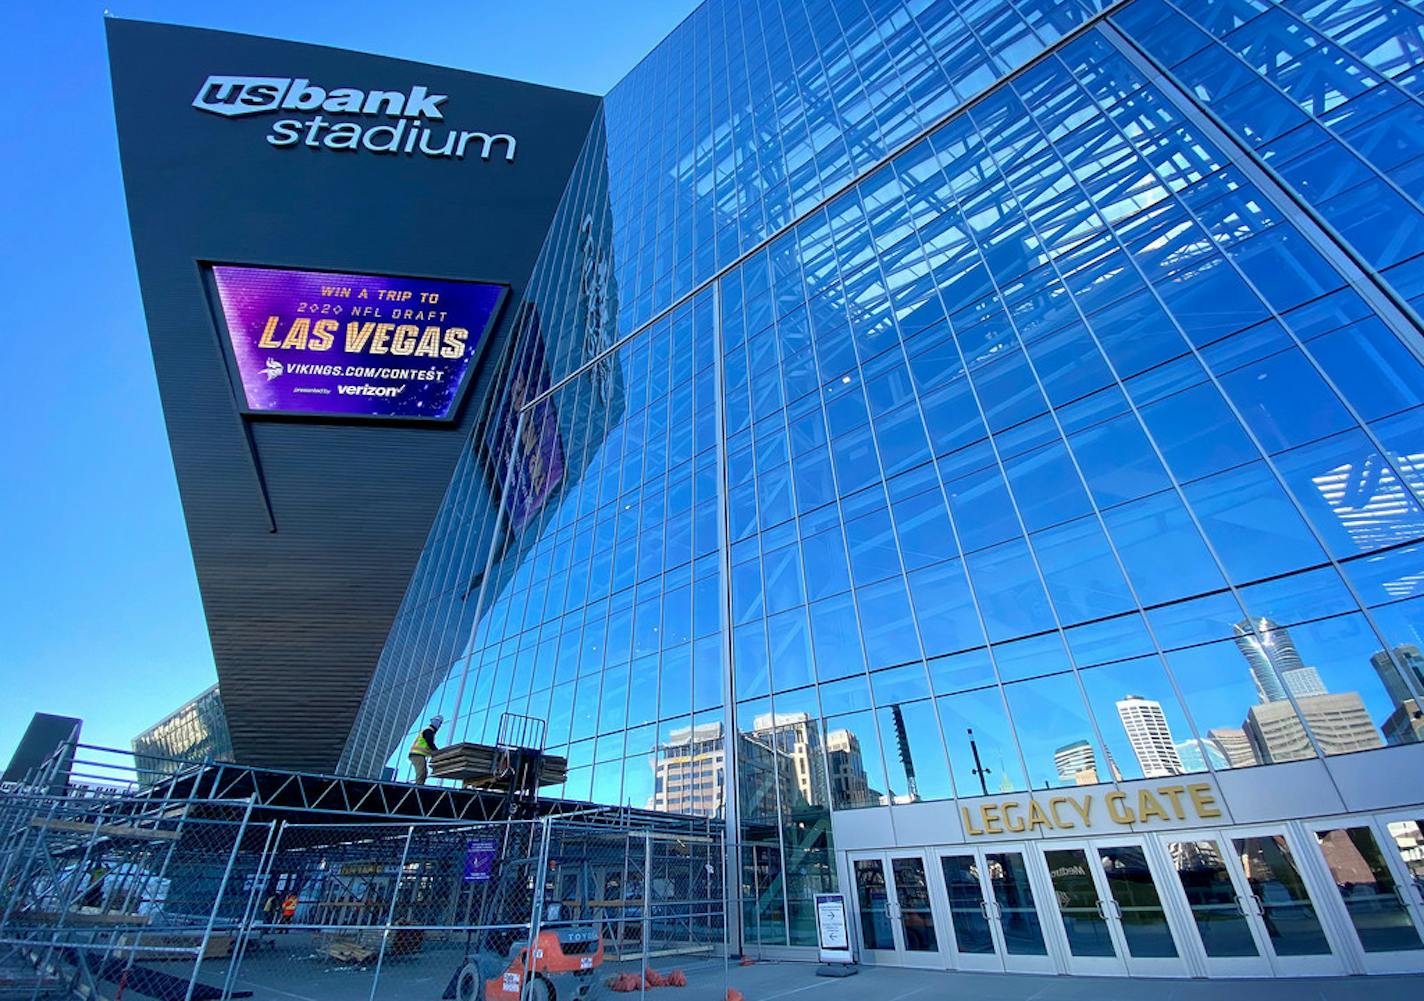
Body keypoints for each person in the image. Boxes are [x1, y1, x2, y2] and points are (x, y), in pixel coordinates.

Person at [408, 715, 444, 785]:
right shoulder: (428, 731)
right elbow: (429, 742)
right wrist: (437, 752)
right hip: (417, 754)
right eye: (439, 723)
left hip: (418, 754)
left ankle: (419, 785)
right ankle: (418, 786)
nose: (439, 726)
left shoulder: (430, 731)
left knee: (423, 772)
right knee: (421, 771)